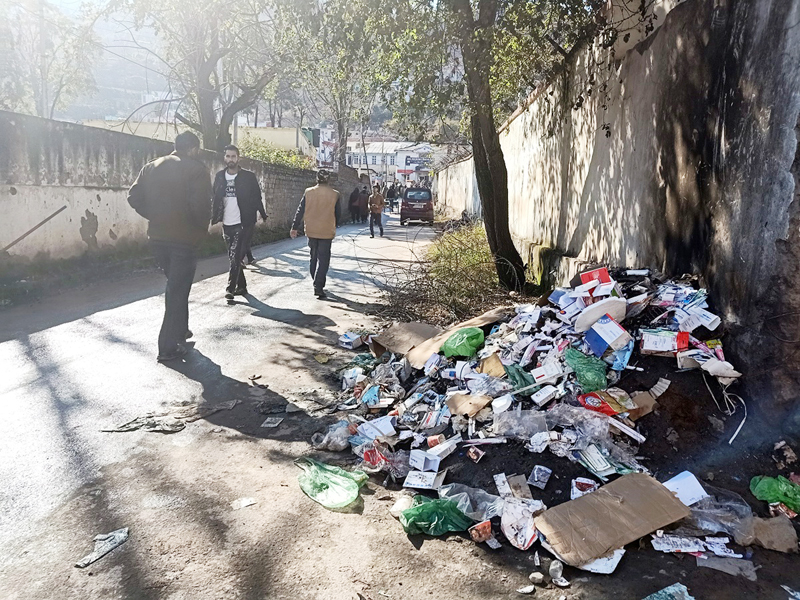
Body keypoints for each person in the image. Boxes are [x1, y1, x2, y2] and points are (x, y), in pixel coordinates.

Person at [127, 131, 211, 363]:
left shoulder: (151, 166)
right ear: (193, 148)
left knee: (177, 285)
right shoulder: (197, 169)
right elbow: (201, 206)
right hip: (184, 239)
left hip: (157, 237)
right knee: (176, 290)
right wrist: (201, 229)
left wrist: (154, 215)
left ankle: (181, 331)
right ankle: (167, 347)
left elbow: (133, 197)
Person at [211, 145, 266, 300]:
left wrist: (261, 214)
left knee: (236, 257)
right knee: (232, 256)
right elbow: (215, 197)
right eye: (228, 156)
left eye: (233, 156)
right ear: (224, 158)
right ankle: (242, 286)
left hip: (244, 222)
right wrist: (214, 216)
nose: (230, 159)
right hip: (226, 223)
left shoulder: (248, 177)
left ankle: (230, 288)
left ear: (238, 158)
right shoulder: (220, 176)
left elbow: (256, 197)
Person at [290, 169, 341, 299]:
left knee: (313, 257)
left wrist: (294, 227)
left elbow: (300, 210)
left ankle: (315, 281)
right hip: (326, 231)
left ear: (316, 178)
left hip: (311, 230)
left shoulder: (308, 192)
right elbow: (338, 214)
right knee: (323, 260)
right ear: (328, 179)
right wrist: (335, 225)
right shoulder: (335, 194)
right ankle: (318, 285)